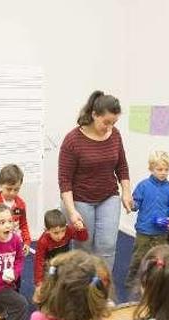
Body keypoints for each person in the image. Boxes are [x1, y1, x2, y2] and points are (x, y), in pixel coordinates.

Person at [58, 90, 132, 272]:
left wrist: (126, 193)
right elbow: (65, 180)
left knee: (107, 246)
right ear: (94, 115)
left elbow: (122, 167)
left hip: (108, 197)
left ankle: (102, 290)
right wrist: (72, 211)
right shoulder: (73, 140)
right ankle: (81, 289)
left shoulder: (115, 135)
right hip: (80, 199)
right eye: (106, 122)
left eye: (114, 123)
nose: (109, 127)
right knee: (84, 246)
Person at [126, 150, 169, 288]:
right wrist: (131, 204)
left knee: (158, 258)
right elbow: (136, 204)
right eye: (159, 169)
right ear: (151, 168)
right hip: (144, 230)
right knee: (139, 255)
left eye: (166, 169)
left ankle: (153, 280)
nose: (163, 172)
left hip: (161, 230)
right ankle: (132, 278)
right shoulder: (143, 185)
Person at [0, 164, 32, 255]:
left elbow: (23, 224)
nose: (12, 193)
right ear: (0, 184)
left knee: (15, 266)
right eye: (8, 189)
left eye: (16, 189)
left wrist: (27, 242)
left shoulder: (20, 204)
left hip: (14, 245)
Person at [33, 209, 88, 286]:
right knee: (51, 286)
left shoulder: (68, 230)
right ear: (47, 230)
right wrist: (38, 282)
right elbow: (39, 262)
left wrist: (81, 229)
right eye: (56, 233)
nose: (60, 236)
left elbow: (83, 238)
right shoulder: (43, 241)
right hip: (50, 267)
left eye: (63, 231)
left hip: (64, 265)